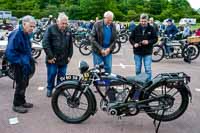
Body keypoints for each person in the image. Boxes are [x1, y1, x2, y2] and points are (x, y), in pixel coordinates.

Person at [5, 15, 36, 113]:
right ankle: (16, 104)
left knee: (25, 83)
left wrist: (30, 59)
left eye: (33, 26)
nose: (32, 28)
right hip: (19, 64)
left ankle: (22, 101)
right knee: (20, 84)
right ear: (24, 24)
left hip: (25, 63)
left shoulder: (25, 33)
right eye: (31, 26)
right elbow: (10, 53)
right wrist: (20, 62)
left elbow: (26, 48)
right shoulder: (17, 34)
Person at [42, 12, 73, 97]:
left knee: (62, 75)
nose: (64, 25)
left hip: (64, 58)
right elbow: (45, 43)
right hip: (53, 58)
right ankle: (49, 89)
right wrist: (50, 56)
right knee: (52, 74)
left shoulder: (68, 29)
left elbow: (70, 44)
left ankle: (60, 90)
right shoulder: (50, 28)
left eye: (66, 23)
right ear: (57, 22)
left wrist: (70, 56)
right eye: (62, 23)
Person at [129, 13, 158, 81]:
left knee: (148, 69)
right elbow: (131, 38)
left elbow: (155, 39)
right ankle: (139, 83)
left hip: (147, 52)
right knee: (138, 69)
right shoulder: (136, 28)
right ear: (140, 20)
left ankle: (148, 84)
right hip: (137, 52)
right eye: (142, 21)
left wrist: (148, 42)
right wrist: (134, 44)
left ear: (147, 21)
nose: (143, 23)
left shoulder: (151, 28)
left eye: (145, 21)